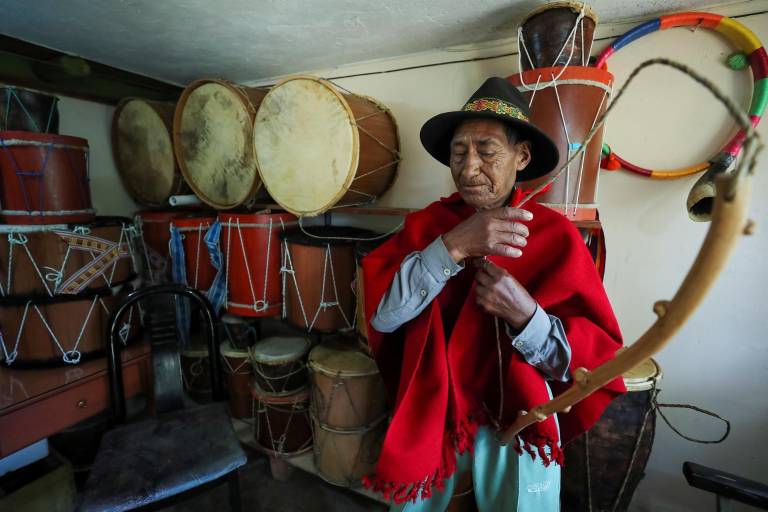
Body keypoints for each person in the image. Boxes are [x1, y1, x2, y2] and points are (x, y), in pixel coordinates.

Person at [360, 77, 626, 511]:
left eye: (487, 151)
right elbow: (385, 318)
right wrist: (454, 246)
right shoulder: (428, 226)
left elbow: (589, 368)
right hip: (435, 414)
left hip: (521, 422)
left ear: (521, 157)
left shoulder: (555, 236)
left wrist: (527, 316)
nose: (468, 169)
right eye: (458, 152)